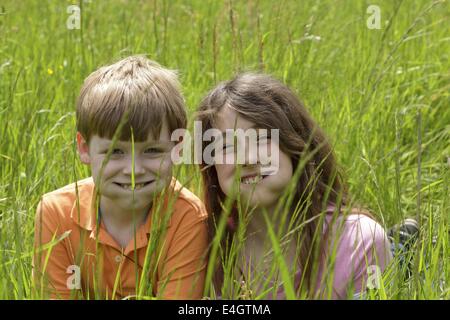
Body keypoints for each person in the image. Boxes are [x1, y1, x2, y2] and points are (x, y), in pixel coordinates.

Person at [196, 73, 393, 299]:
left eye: (261, 138)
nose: (247, 159)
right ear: (212, 167)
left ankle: (399, 245)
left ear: (295, 144)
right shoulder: (208, 249)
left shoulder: (360, 242)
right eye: (228, 146)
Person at [33, 56, 208, 299]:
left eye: (152, 150)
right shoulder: (56, 213)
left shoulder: (187, 218)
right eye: (115, 151)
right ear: (84, 148)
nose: (133, 170)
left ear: (177, 147)